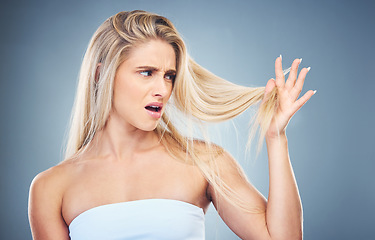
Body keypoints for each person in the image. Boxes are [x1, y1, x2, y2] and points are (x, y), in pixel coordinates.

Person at [28, 10, 315, 240]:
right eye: (147, 73)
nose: (163, 89)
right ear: (102, 74)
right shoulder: (51, 188)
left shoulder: (203, 162)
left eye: (168, 75)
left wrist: (276, 137)